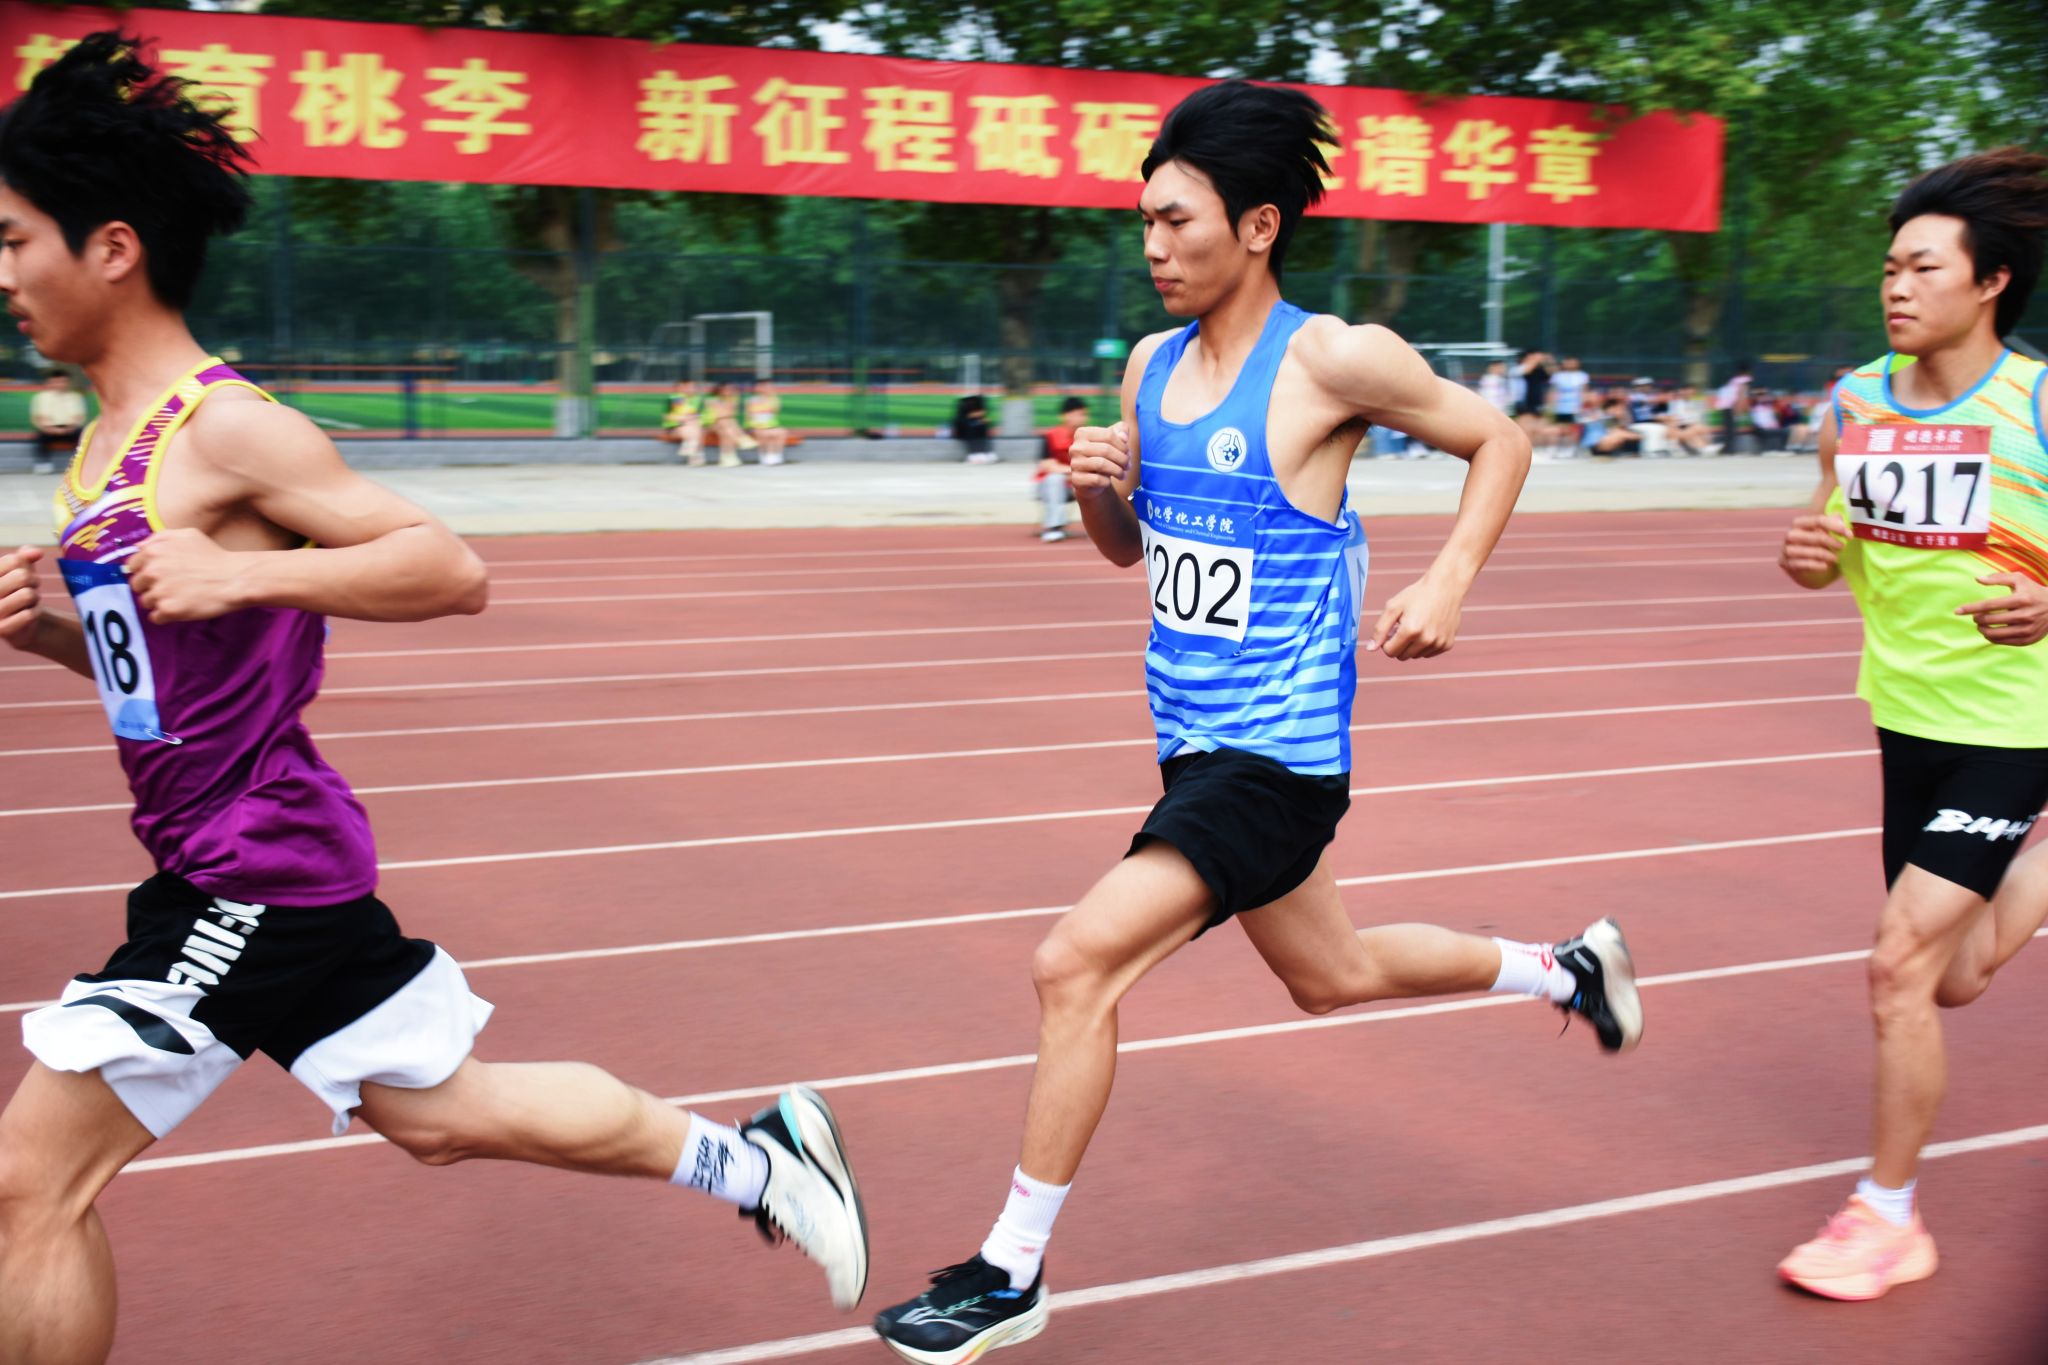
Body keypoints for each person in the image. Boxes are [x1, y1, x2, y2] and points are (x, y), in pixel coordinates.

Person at [0, 36, 867, 1364]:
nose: (4, 277)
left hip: (250, 870)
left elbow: (448, 567)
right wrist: (59, 634)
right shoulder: (103, 448)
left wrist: (240, 571)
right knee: (442, 1113)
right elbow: (167, 680)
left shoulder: (222, 428)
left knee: (29, 1183)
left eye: (15, 243)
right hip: (238, 859)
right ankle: (762, 1164)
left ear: (111, 247)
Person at [872, 79, 1642, 1365]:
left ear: (1259, 225)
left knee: (1073, 965)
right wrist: (1099, 488)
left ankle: (1007, 1273)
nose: (1153, 246)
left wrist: (1446, 580)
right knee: (1331, 976)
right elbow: (1126, 552)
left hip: (1275, 762)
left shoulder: (1332, 359)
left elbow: (1498, 444)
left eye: (1176, 221)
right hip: (1191, 747)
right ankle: (1567, 969)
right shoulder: (1149, 366)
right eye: (1143, 222)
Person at [1774, 146, 2048, 1302]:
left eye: (1921, 267)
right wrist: (1804, 556)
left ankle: (1884, 1217)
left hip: (2020, 719)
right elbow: (1821, 549)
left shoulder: (2036, 404)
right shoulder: (1852, 403)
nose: (1894, 285)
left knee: (1895, 965)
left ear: (1988, 281)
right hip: (1905, 715)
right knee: (1952, 977)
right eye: (1888, 266)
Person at [1035, 395, 1088, 541]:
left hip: (1077, 485)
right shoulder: (1051, 436)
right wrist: (1073, 471)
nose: (1081, 418)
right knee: (1055, 479)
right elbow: (1048, 465)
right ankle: (1054, 527)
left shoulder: (1088, 437)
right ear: (1065, 416)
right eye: (1077, 414)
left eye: (1083, 414)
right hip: (1049, 486)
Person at [28, 365, 85, 473]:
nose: (60, 384)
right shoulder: (41, 398)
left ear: (68, 382)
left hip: (70, 429)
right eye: (56, 382)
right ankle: (43, 464)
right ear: (50, 382)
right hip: (48, 430)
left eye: (63, 381)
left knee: (83, 436)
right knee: (40, 436)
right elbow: (39, 418)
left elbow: (78, 417)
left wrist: (68, 429)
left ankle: (79, 465)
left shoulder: (75, 397)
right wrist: (52, 429)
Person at [1544, 355, 1589, 456]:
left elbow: (1584, 391)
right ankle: (1552, 449)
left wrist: (1582, 406)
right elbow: (1553, 391)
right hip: (1560, 407)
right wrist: (1550, 405)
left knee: (1573, 429)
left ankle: (1571, 448)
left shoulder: (1582, 376)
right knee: (1556, 427)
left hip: (1574, 406)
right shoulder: (1558, 376)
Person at [706, 380, 753, 466]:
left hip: (727, 425)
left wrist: (731, 402)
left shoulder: (733, 400)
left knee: (726, 433)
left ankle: (726, 457)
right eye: (726, 389)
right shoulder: (711, 400)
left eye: (730, 389)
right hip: (712, 424)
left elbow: (731, 413)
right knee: (725, 421)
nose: (728, 391)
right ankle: (741, 438)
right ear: (720, 390)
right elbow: (718, 414)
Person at [660, 376, 704, 466]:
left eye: (692, 387)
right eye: (686, 387)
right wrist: (683, 418)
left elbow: (701, 415)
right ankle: (697, 455)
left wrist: (690, 419)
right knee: (693, 425)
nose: (689, 389)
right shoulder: (674, 399)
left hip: (693, 426)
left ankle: (690, 446)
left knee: (695, 424)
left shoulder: (698, 400)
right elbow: (666, 417)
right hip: (675, 428)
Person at [746, 378, 788, 465]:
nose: (768, 388)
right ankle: (764, 455)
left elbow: (775, 412)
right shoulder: (751, 400)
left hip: (770, 426)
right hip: (756, 426)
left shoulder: (774, 399)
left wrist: (772, 398)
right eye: (765, 386)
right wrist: (756, 425)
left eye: (769, 386)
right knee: (766, 433)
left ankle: (776, 455)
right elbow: (749, 417)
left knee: (781, 432)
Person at [954, 391, 995, 463]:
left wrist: (981, 420)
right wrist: (979, 420)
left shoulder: (977, 405)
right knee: (973, 429)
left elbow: (981, 416)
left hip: (972, 427)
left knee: (982, 427)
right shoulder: (965, 405)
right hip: (964, 428)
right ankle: (975, 454)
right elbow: (967, 418)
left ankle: (985, 452)